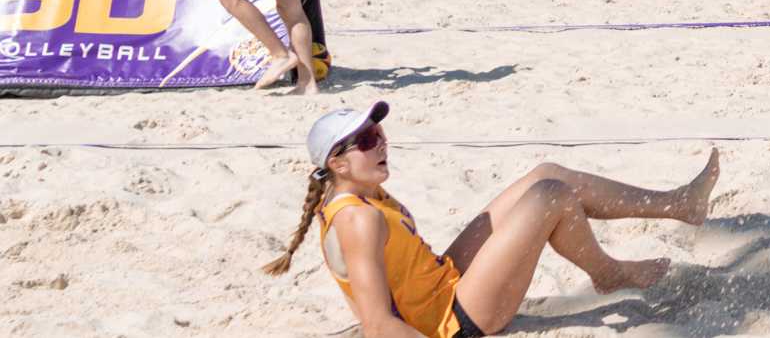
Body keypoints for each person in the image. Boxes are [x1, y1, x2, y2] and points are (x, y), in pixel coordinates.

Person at [267, 101, 718, 337]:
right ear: (338, 164)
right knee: (550, 196)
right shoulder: (356, 220)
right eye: (366, 140)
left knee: (546, 174)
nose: (380, 143)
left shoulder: (361, 191)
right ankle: (608, 272)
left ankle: (680, 204)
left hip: (443, 284)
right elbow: (377, 324)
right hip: (453, 323)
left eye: (379, 132)